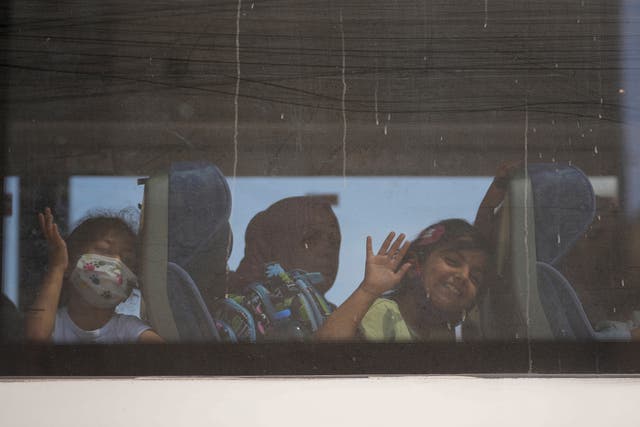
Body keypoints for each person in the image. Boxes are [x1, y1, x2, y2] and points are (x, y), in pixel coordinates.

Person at [315, 219, 491, 342]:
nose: (464, 276)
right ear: (414, 266)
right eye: (452, 261)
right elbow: (326, 353)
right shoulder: (385, 313)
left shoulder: (444, 333)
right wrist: (368, 290)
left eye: (475, 277)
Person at [25, 208, 163, 344]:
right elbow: (35, 340)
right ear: (70, 264)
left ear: (130, 287)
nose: (117, 263)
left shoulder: (129, 330)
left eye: (127, 260)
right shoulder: (52, 324)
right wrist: (57, 267)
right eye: (104, 250)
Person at [229, 196, 341, 296]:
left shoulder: (336, 314)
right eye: (312, 239)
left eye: (333, 242)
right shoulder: (224, 306)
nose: (327, 251)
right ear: (273, 243)